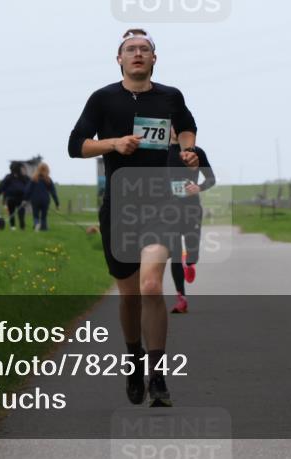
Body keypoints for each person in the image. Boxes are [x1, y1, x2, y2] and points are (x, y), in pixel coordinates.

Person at [68, 28, 199, 408]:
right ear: (120, 59)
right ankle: (133, 358)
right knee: (129, 296)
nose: (138, 54)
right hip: (120, 207)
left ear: (154, 58)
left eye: (145, 49)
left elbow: (188, 127)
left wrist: (188, 151)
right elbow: (76, 144)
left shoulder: (170, 97)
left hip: (161, 203)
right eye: (131, 49)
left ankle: (157, 374)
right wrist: (114, 143)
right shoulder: (103, 99)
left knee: (151, 286)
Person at [166, 128, 215, 314]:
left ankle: (191, 262)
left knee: (192, 251)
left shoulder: (196, 152)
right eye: (172, 124)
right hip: (169, 211)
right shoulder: (161, 153)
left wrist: (199, 187)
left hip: (192, 208)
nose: (175, 129)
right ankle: (181, 299)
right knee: (176, 254)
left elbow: (211, 179)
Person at [0, 162, 28, 231]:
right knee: (13, 213)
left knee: (20, 214)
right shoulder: (9, 177)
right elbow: (1, 186)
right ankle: (14, 227)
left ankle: (20, 227)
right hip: (11, 199)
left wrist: (29, 196)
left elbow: (30, 186)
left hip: (21, 199)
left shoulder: (24, 178)